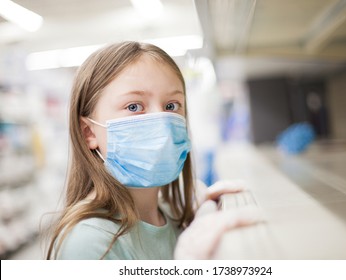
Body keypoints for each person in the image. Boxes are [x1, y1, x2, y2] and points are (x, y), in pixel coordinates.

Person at [46, 41, 261, 260]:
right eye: (134, 106)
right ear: (88, 133)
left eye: (171, 106)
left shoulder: (171, 214)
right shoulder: (90, 242)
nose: (162, 122)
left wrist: (201, 210)